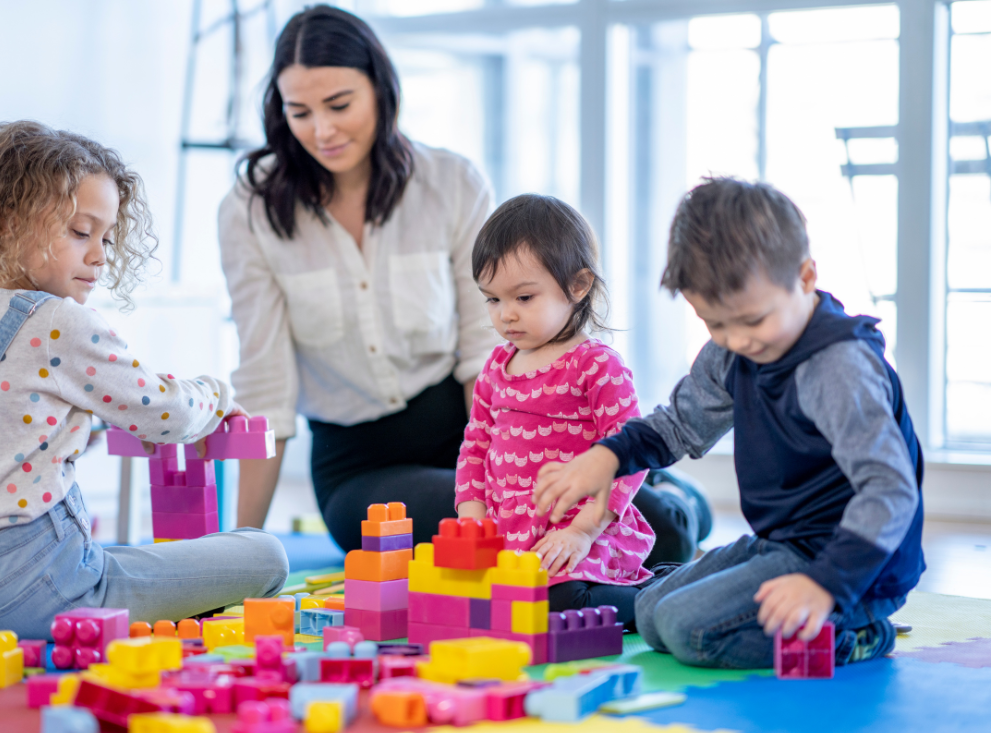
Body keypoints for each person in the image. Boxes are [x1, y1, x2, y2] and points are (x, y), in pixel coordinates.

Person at [221, 5, 711, 560]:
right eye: (299, 112)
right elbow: (266, 385)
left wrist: (507, 470)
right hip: (363, 467)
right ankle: (665, 497)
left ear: (382, 92)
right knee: (498, 543)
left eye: (339, 105)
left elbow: (488, 348)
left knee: (644, 525)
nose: (322, 130)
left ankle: (666, 494)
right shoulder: (250, 210)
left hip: (484, 430)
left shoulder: (449, 183)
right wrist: (242, 551)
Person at [0, 121, 288, 638]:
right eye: (80, 232)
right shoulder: (55, 320)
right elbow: (163, 413)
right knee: (266, 554)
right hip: (46, 597)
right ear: (4, 223)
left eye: (106, 237)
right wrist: (216, 396)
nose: (100, 255)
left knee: (130, 556)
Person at [533, 177, 923, 668]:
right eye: (715, 324)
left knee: (687, 632)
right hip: (782, 544)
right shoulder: (732, 350)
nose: (736, 340)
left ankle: (860, 634)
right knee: (652, 614)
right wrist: (606, 458)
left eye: (752, 321)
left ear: (805, 278)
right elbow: (679, 424)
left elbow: (890, 491)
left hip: (853, 566)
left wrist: (826, 585)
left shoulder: (836, 367)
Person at [455, 195, 654, 622]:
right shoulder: (495, 367)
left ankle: (662, 596)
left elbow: (631, 456)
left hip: (583, 533)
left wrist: (582, 531)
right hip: (513, 539)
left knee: (559, 603)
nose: (505, 315)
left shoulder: (596, 365)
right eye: (491, 300)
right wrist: (471, 521)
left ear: (578, 286)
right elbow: (475, 448)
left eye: (524, 298)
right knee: (477, 604)